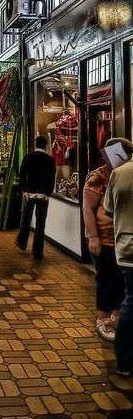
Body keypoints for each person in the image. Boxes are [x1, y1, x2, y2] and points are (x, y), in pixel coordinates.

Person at [82, 138, 131, 341]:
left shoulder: (121, 174)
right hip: (103, 238)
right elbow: (88, 209)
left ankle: (117, 316)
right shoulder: (98, 177)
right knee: (105, 279)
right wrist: (93, 237)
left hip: (119, 239)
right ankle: (102, 319)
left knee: (120, 280)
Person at [104, 147, 133, 377]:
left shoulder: (119, 172)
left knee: (131, 301)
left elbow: (108, 211)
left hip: (125, 248)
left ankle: (124, 361)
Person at [15, 135, 56, 260]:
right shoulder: (50, 160)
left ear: (35, 144)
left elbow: (22, 175)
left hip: (30, 194)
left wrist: (24, 190)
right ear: (46, 145)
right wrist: (48, 193)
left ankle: (22, 242)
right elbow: (52, 178)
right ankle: (37, 252)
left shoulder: (28, 157)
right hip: (43, 195)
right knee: (40, 223)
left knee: (26, 219)